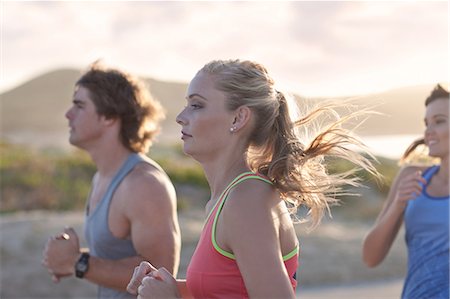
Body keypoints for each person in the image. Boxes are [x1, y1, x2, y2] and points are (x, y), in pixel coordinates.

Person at [126, 59, 378, 299]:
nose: (181, 116)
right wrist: (161, 285)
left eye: (197, 105)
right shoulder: (226, 198)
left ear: (238, 118)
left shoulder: (247, 200)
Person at [42, 62, 181, 298]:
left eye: (79, 105)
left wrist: (78, 263)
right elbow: (116, 256)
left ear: (108, 117)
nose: (68, 114)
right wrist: (66, 258)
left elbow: (159, 274)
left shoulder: (143, 184)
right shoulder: (102, 176)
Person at [362, 84, 449, 299]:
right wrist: (398, 204)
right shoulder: (411, 177)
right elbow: (370, 257)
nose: (429, 131)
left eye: (439, 121)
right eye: (426, 123)